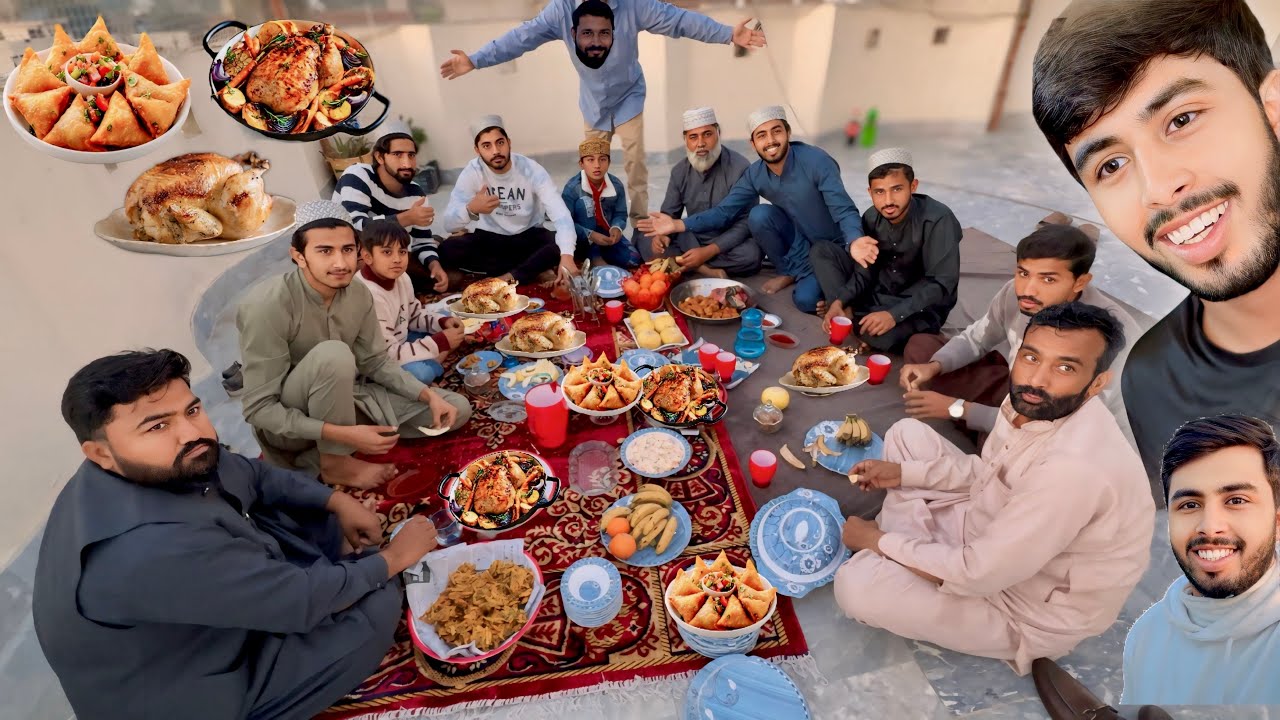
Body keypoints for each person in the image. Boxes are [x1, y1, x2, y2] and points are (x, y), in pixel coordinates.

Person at [33, 349, 441, 720]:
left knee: (312, 514)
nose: (190, 433)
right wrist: (393, 560)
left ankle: (331, 567)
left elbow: (253, 474)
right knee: (375, 611)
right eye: (157, 426)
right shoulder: (149, 549)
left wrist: (337, 501)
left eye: (191, 411)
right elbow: (300, 602)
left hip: (207, 601)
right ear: (99, 452)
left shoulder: (160, 462)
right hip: (192, 685)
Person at [1032, 0, 1280, 499]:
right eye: (1111, 165)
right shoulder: (1150, 382)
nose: (1158, 188)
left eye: (1182, 119)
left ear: (1273, 107)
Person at [834, 302, 1154, 675]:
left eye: (1065, 367)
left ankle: (906, 549)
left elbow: (978, 574)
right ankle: (916, 549)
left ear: (1097, 383)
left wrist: (876, 541)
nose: (1038, 379)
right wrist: (902, 474)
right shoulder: (1031, 399)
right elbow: (989, 474)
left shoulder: (1073, 471)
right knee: (907, 435)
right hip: (988, 528)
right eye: (1031, 357)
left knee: (854, 587)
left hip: (1019, 603)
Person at [439, 0, 766, 226]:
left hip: (629, 99)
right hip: (593, 104)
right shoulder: (562, 10)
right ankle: (596, 226)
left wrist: (727, 34)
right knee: (593, 169)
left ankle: (638, 226)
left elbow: (679, 20)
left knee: (636, 167)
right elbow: (521, 38)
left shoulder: (633, 6)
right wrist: (476, 59)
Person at [236, 201, 472, 490]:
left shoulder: (357, 293)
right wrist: (344, 436)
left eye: (347, 250)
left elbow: (376, 362)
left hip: (352, 397)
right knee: (333, 354)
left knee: (454, 409)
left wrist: (426, 395)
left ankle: (327, 452)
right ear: (298, 256)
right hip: (293, 422)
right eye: (325, 251)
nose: (340, 263)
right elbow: (259, 409)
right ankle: (335, 461)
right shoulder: (267, 306)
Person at [898, 219, 1140, 440]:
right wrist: (934, 366)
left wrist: (957, 408)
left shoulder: (1109, 333)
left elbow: (1061, 425)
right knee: (923, 348)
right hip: (1015, 388)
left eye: (1048, 279)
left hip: (1056, 423)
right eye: (1024, 273)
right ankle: (987, 422)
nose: (1028, 290)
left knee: (1006, 448)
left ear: (1080, 282)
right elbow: (979, 337)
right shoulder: (1015, 293)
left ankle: (987, 427)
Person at [638, 105, 864, 312]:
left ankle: (817, 277)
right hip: (796, 240)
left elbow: (844, 208)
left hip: (829, 245)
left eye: (776, 131)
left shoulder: (816, 161)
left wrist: (855, 239)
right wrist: (674, 225)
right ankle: (787, 271)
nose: (771, 141)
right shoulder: (755, 174)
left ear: (788, 133)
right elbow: (723, 212)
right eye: (761, 135)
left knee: (803, 299)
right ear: (753, 143)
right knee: (760, 215)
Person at [1121, 414, 1280, 705]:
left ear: (1278, 521)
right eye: (1190, 504)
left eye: (1236, 500)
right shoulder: (1148, 635)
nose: (1209, 526)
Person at [812, 148, 962, 353]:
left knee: (880, 337)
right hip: (879, 293)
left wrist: (893, 315)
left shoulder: (937, 219)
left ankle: (854, 319)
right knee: (821, 251)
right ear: (870, 192)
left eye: (897, 189)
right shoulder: (872, 217)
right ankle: (844, 310)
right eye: (879, 192)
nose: (888, 200)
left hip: (920, 305)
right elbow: (864, 273)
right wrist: (840, 300)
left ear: (913, 186)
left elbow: (943, 283)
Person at [440, 115, 579, 284]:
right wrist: (471, 209)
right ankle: (532, 269)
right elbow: (449, 223)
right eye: (486, 145)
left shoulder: (530, 169)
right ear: (477, 150)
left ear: (509, 142)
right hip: (491, 241)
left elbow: (560, 214)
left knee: (572, 241)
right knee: (447, 249)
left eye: (500, 142)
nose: (496, 151)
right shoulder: (473, 172)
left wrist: (566, 256)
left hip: (529, 237)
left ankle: (508, 276)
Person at [640, 106, 762, 278]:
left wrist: (708, 251)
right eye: (693, 137)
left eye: (707, 134)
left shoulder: (740, 167)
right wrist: (662, 237)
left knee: (752, 255)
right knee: (644, 237)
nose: (701, 143)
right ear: (686, 141)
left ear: (718, 133)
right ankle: (702, 269)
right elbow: (669, 216)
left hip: (727, 240)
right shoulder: (679, 171)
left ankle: (684, 263)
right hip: (692, 236)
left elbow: (745, 223)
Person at [332, 123, 448, 294]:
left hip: (393, 257)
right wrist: (407, 218)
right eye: (397, 154)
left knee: (446, 276)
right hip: (355, 257)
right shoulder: (357, 176)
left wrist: (435, 265)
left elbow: (421, 241)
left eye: (411, 155)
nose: (407, 163)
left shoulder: (416, 193)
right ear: (380, 157)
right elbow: (355, 226)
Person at [355, 220, 467, 385]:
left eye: (402, 251)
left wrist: (442, 323)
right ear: (367, 256)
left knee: (448, 318)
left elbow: (413, 316)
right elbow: (386, 355)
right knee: (421, 375)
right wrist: (440, 342)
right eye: (387, 252)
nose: (397, 259)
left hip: (401, 338)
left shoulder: (402, 277)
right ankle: (434, 362)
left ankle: (433, 357)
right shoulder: (368, 295)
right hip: (380, 359)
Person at [561, 137, 642, 268]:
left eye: (602, 159)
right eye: (590, 160)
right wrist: (590, 234)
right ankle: (593, 256)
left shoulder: (616, 185)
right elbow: (564, 223)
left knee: (634, 260)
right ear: (581, 164)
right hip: (582, 239)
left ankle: (595, 257)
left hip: (606, 237)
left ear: (609, 162)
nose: (597, 165)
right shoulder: (572, 188)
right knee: (584, 202)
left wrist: (616, 228)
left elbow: (620, 214)